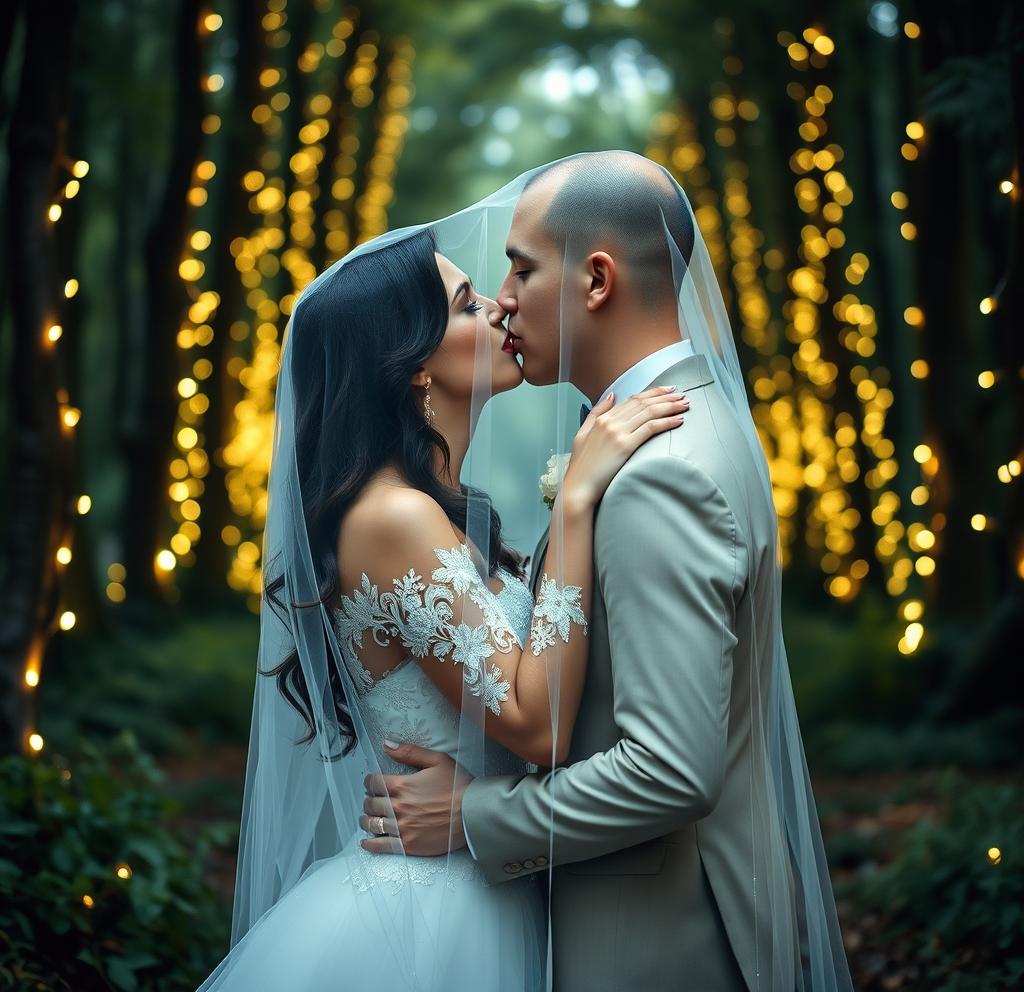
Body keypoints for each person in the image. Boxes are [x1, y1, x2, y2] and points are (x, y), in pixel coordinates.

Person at [359, 152, 854, 992]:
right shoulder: (675, 431)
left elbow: (669, 768)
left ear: (596, 280)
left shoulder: (664, 470)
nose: (502, 298)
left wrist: (473, 816)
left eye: (520, 267)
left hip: (662, 944)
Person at [197, 220, 690, 991]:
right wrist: (576, 503)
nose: (498, 307)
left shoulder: (440, 512)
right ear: (414, 366)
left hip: (484, 881)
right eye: (465, 305)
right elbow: (537, 725)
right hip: (428, 917)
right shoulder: (394, 519)